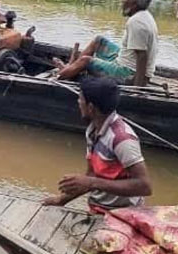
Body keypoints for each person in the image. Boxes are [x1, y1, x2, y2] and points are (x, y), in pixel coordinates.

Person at [44, 77, 152, 212]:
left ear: (90, 107)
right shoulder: (93, 130)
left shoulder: (122, 139)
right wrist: (61, 200)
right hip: (97, 208)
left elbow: (144, 186)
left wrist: (91, 182)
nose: (78, 102)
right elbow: (92, 174)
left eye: (81, 99)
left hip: (123, 214)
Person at [55, 0, 158, 87]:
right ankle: (71, 68)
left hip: (128, 73)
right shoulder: (145, 15)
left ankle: (59, 75)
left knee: (85, 60)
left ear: (134, 4)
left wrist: (137, 87)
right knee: (98, 40)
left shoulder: (136, 22)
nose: (122, 2)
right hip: (126, 62)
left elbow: (142, 55)